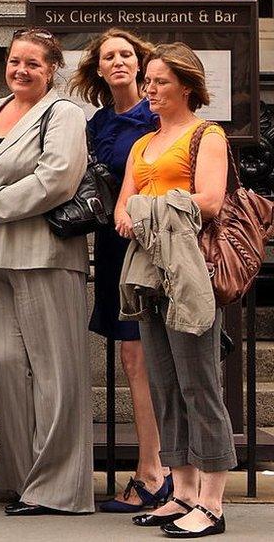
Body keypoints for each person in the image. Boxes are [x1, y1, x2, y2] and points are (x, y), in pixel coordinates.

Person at [0, 28, 92, 516]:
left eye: (33, 63)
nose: (21, 69)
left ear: (51, 69)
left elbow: (57, 178)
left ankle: (58, 489)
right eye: (15, 60)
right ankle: (20, 479)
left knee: (56, 373)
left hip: (45, 255)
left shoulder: (65, 113)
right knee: (4, 363)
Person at [115, 43, 235, 538]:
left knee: (199, 384)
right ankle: (181, 491)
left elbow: (208, 200)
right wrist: (139, 212)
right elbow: (124, 207)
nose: (150, 89)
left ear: (187, 86)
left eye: (160, 81)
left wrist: (146, 210)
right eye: (148, 81)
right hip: (148, 272)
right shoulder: (143, 144)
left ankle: (212, 501)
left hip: (189, 271)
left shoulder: (207, 135)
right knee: (165, 385)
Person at [69, 28, 171, 513]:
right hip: (113, 249)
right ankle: (157, 468)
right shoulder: (97, 123)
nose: (118, 62)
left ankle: (158, 472)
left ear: (141, 62)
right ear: (98, 69)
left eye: (126, 54)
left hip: (155, 247)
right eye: (109, 56)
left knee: (150, 358)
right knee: (135, 360)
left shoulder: (158, 116)